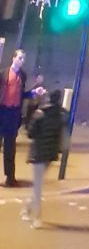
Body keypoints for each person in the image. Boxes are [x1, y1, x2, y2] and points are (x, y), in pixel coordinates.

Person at [24, 88, 63, 229]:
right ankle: (28, 209)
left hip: (38, 153)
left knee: (38, 187)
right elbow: (60, 136)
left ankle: (37, 217)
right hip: (49, 154)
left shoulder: (40, 114)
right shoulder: (60, 115)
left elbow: (30, 133)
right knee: (38, 185)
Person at [0, 49, 30, 188]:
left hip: (13, 114)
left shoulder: (23, 76)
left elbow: (22, 94)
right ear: (13, 58)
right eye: (20, 58)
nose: (22, 61)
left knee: (10, 148)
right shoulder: (3, 73)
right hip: (2, 112)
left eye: (23, 59)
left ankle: (10, 178)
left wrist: (33, 93)